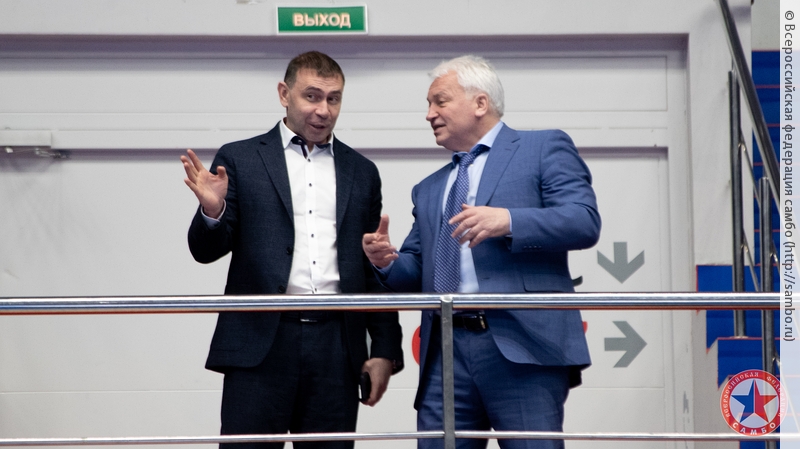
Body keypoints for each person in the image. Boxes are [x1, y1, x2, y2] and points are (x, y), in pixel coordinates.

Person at [362, 55, 600, 449]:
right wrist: (385, 261)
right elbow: (416, 270)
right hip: (445, 353)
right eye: (428, 104)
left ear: (480, 102)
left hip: (523, 347)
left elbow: (583, 220)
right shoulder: (429, 188)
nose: (429, 114)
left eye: (440, 101)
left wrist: (509, 220)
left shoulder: (542, 147)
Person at [182, 51, 404, 449]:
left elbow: (373, 269)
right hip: (260, 342)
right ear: (285, 94)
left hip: (337, 347)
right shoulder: (240, 159)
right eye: (312, 96)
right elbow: (204, 251)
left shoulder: (362, 171)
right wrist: (213, 212)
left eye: (333, 98)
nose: (324, 110)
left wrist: (385, 350)